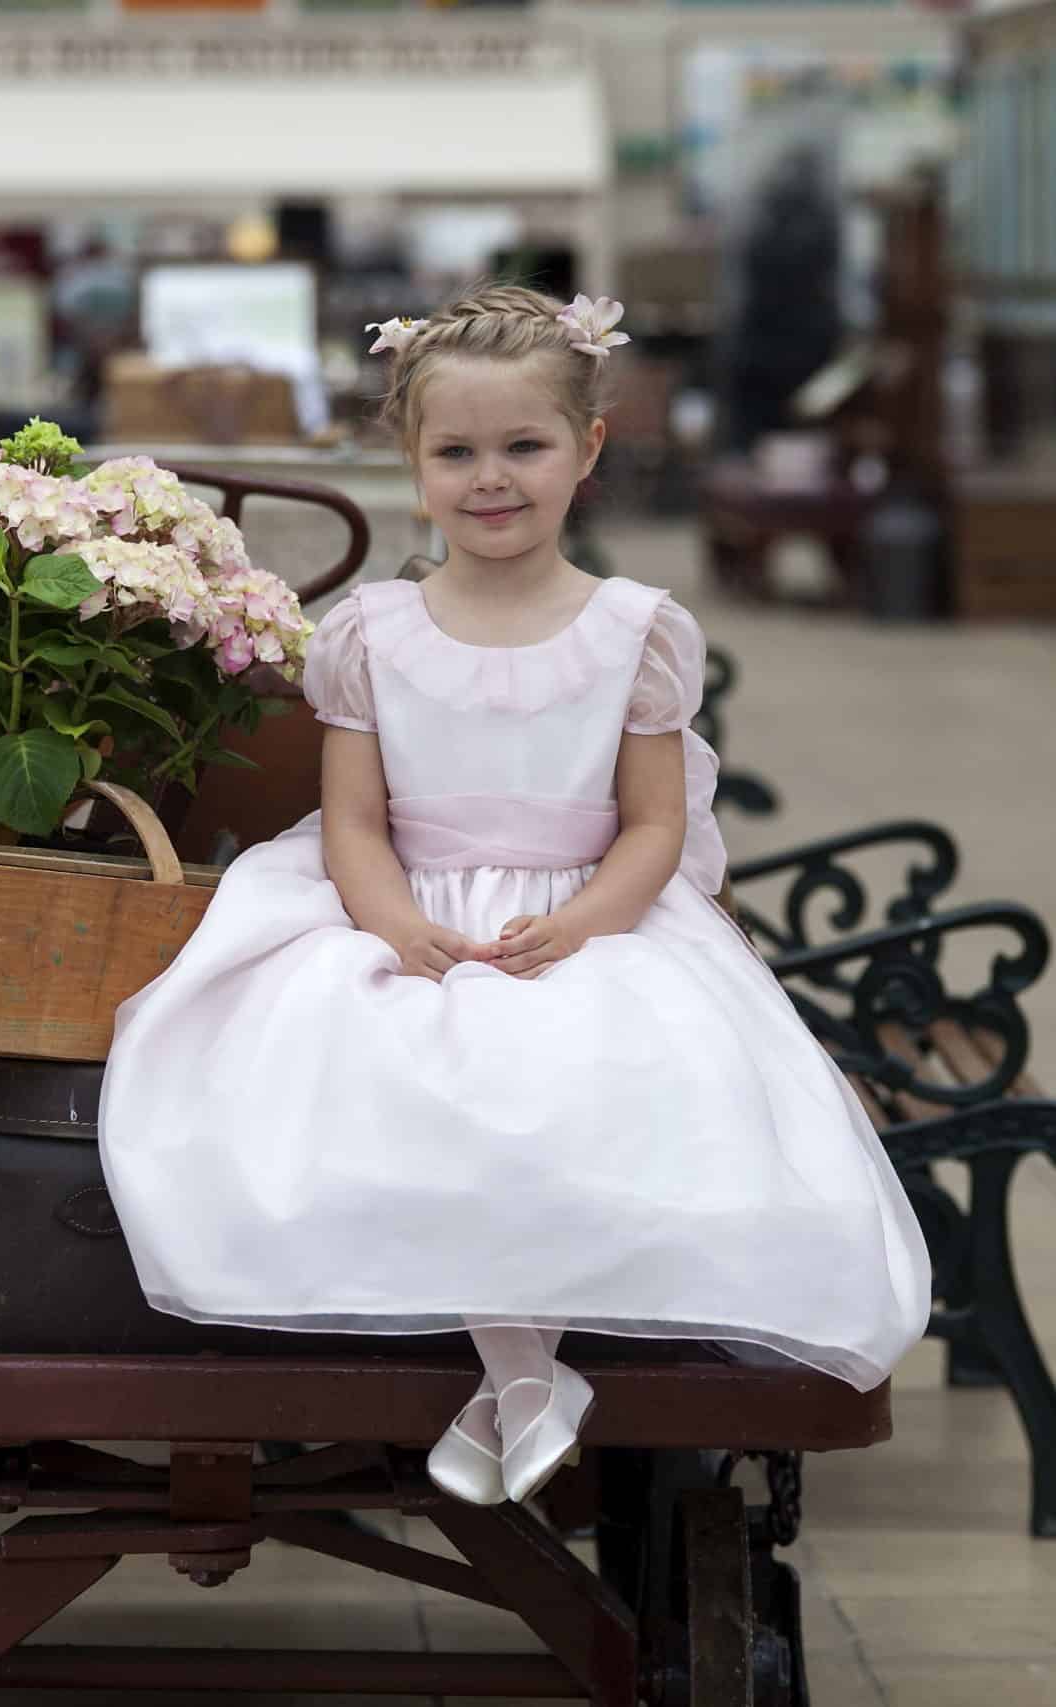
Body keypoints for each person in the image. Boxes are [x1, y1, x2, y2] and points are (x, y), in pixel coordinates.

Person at [97, 283, 931, 1507]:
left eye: (524, 447)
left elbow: (652, 823)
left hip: (590, 910)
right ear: (412, 462)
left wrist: (583, 923)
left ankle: (525, 1372)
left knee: (577, 1067)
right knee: (372, 1053)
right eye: (458, 452)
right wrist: (390, 924)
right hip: (404, 897)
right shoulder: (373, 631)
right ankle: (517, 1371)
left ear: (587, 449)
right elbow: (354, 819)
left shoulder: (633, 629)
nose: (492, 478)